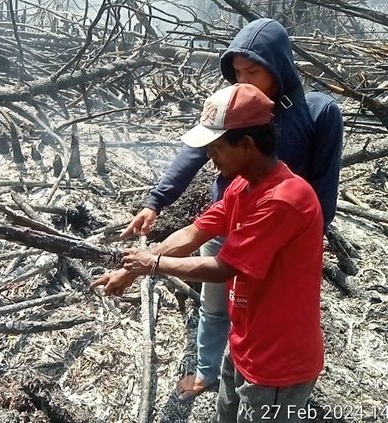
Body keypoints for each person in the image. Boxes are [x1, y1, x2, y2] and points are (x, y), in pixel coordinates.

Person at [120, 18, 342, 400]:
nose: (243, 80)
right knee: (222, 305)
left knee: (268, 316)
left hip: (281, 238)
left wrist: (302, 251)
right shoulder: (239, 174)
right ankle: (217, 370)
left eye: (252, 71)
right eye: (237, 72)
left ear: (249, 146)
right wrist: (153, 211)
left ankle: (274, 379)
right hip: (237, 223)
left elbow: (322, 193)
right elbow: (196, 222)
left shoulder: (317, 116)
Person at [92, 83, 325, 422]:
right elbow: (194, 232)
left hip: (279, 362)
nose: (210, 158)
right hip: (246, 342)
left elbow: (222, 267)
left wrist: (153, 264)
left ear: (247, 144)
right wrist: (131, 269)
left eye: (216, 148)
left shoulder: (283, 200)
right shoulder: (244, 186)